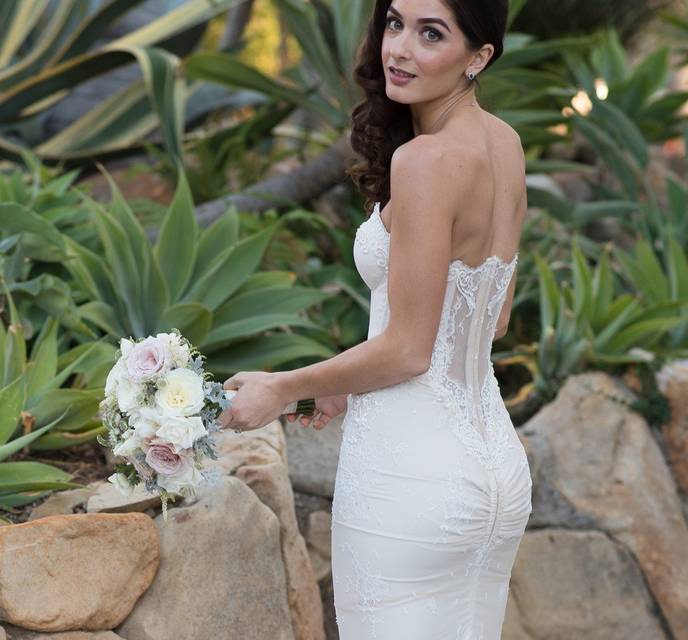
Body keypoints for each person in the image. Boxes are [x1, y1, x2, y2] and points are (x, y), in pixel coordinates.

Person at [218, 0, 531, 637]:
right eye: (394, 23)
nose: (399, 48)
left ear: (479, 56)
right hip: (497, 469)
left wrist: (281, 388)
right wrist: (343, 381)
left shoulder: (425, 161)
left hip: (409, 473)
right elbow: (489, 321)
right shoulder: (505, 143)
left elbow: (411, 350)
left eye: (431, 33)